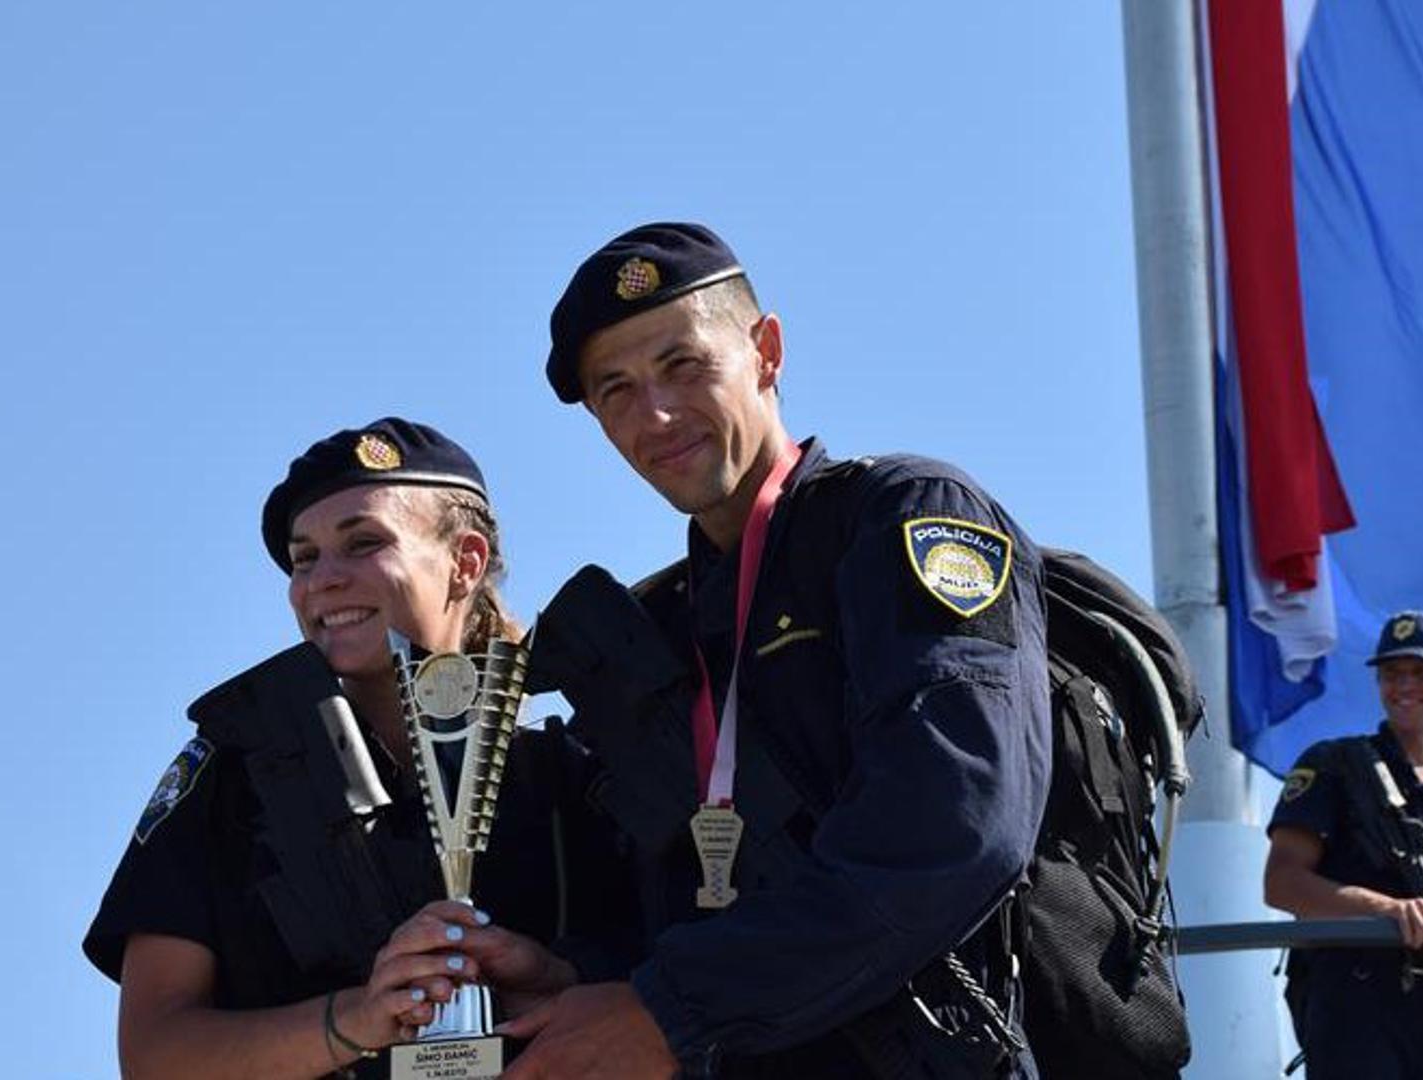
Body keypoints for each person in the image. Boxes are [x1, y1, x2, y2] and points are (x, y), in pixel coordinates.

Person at [443, 222, 1051, 1078]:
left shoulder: (901, 518)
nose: (656, 414)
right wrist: (577, 977)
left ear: (766, 351)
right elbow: (689, 907)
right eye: (616, 390)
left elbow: (955, 830)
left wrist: (669, 1011)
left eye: (683, 365)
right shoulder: (656, 627)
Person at [84, 418, 631, 1079]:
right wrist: (360, 1018)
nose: (323, 579)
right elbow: (154, 1055)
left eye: (363, 543)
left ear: (465, 562)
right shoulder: (234, 780)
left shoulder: (577, 779)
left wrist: (556, 978)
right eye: (304, 559)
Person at [1264, 610, 1423, 1079]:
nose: (1404, 686)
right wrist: (1392, 911)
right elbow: (1283, 883)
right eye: (1391, 673)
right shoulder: (1334, 768)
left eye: (1422, 672)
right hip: (1354, 1015)